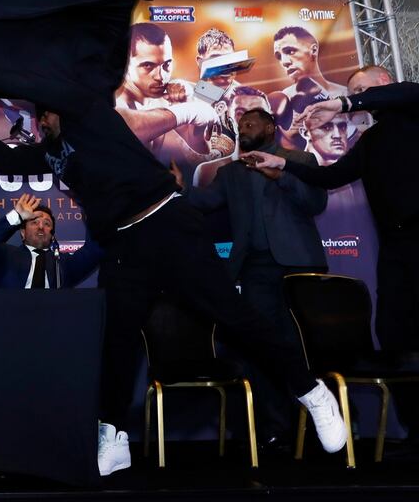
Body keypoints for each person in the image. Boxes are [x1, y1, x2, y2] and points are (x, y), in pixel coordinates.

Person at [0, 53, 347, 476]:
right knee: (117, 340)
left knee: (231, 315)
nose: (37, 126)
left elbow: (33, 82)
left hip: (167, 223)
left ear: (53, 109)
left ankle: (310, 390)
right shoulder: (53, 153)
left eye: (41, 119)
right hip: (124, 244)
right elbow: (10, 161)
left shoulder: (88, 111)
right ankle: (115, 435)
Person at [172, 107, 328, 447]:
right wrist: (182, 190)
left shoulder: (298, 159)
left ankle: (323, 421)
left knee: (306, 344)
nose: (244, 128)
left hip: (299, 266)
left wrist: (282, 177)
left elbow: (316, 202)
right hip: (255, 269)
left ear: (270, 127)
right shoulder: (231, 172)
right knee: (262, 346)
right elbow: (207, 201)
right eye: (241, 124)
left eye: (251, 123)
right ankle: (277, 425)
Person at [243, 65, 419, 365]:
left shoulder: (413, 110)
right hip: (396, 247)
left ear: (384, 82)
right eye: (352, 94)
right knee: (393, 333)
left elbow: (407, 92)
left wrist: (342, 103)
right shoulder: (370, 140)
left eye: (363, 91)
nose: (358, 99)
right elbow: (330, 177)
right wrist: (283, 164)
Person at [113, 23, 223, 170]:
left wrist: (190, 103)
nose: (160, 76)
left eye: (166, 65)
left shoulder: (172, 91)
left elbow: (201, 151)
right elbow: (121, 128)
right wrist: (187, 111)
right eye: (148, 66)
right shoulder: (110, 98)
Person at [0, 192, 102, 289]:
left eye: (47, 223)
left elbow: (95, 250)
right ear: (22, 233)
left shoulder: (64, 263)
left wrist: (92, 206)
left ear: (52, 235)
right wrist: (16, 217)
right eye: (34, 222)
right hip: (11, 319)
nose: (41, 227)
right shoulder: (5, 256)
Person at [269, 26, 347, 149]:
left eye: (290, 51)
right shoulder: (282, 99)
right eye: (279, 56)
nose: (284, 61)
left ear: (314, 50)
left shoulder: (345, 93)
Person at [193, 86, 273, 188]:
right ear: (228, 118)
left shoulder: (287, 167)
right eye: (240, 113)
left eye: (258, 113)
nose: (250, 120)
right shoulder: (207, 172)